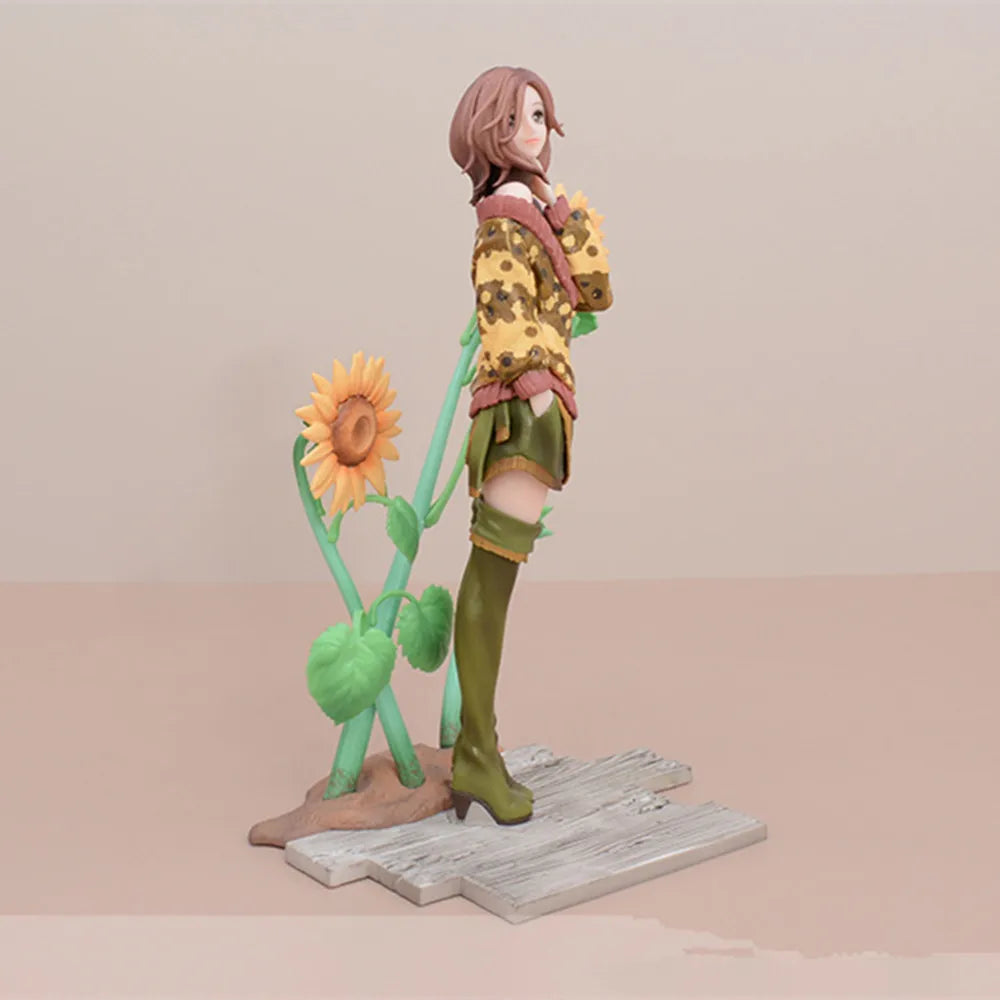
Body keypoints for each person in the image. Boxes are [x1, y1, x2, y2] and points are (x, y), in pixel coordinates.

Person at [447, 66, 613, 824]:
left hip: (542, 407)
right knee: (494, 572)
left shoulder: (537, 209)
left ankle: (477, 750)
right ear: (489, 131)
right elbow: (503, 314)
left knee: (498, 572)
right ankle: (477, 757)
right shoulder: (501, 222)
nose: (534, 130)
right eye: (516, 118)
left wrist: (563, 209)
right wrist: (539, 391)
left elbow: (596, 290)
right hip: (521, 409)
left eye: (541, 115)